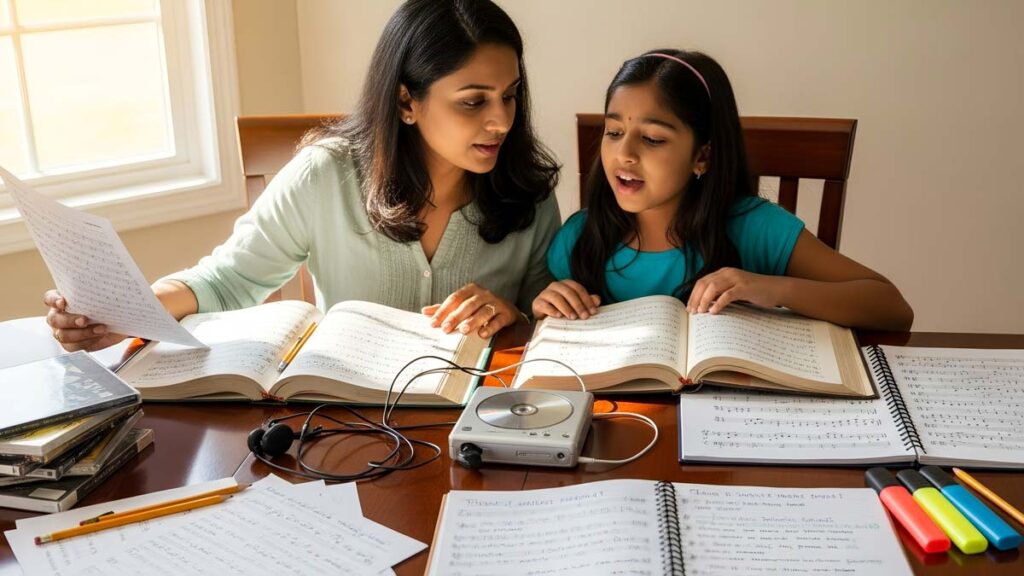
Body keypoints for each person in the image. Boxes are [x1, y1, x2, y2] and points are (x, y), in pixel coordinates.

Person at [45, 0, 561, 352]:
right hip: (348, 425)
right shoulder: (327, 176)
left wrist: (514, 316)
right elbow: (228, 280)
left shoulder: (529, 194)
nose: (502, 121)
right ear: (407, 101)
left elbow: (553, 321)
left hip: (481, 427)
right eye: (474, 102)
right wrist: (119, 314)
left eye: (510, 95)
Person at [534, 49, 913, 331]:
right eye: (614, 132)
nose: (624, 154)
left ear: (702, 156)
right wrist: (545, 307)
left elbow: (893, 308)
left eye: (652, 139)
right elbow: (541, 325)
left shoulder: (756, 227)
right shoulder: (580, 238)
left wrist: (774, 289)